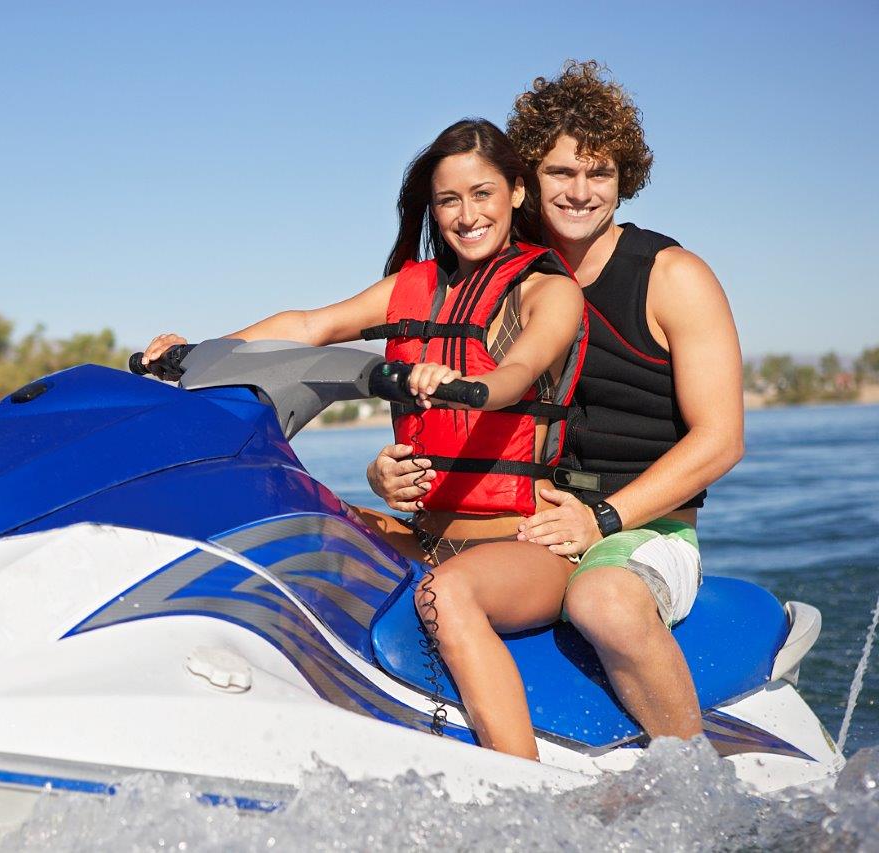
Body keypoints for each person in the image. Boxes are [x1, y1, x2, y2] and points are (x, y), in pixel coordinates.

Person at [373, 61, 744, 753]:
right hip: (533, 523)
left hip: (646, 527)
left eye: (599, 173)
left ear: (622, 178)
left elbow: (721, 440)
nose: (580, 192)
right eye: (561, 173)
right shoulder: (502, 273)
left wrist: (603, 516)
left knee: (600, 598)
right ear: (527, 181)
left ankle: (697, 785)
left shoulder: (673, 277)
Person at [141, 117, 585, 579]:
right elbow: (310, 324)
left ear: (515, 192)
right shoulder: (411, 288)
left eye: (482, 194)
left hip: (519, 544)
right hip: (424, 537)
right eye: (448, 201)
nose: (467, 216)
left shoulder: (548, 291)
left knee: (447, 594)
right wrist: (202, 351)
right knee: (280, 525)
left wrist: (470, 385)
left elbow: (517, 374)